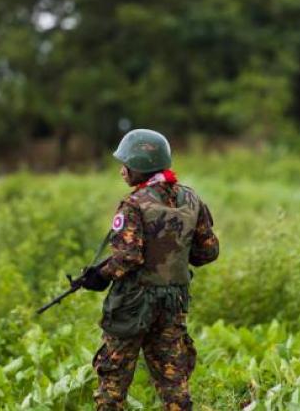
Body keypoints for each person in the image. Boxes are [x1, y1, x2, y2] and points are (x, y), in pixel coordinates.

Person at [83, 128, 219, 410]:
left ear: (140, 167)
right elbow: (208, 252)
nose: (122, 171)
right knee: (173, 382)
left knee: (113, 377)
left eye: (126, 165)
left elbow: (128, 257)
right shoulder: (192, 200)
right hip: (173, 303)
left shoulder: (133, 205)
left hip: (133, 303)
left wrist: (99, 276)